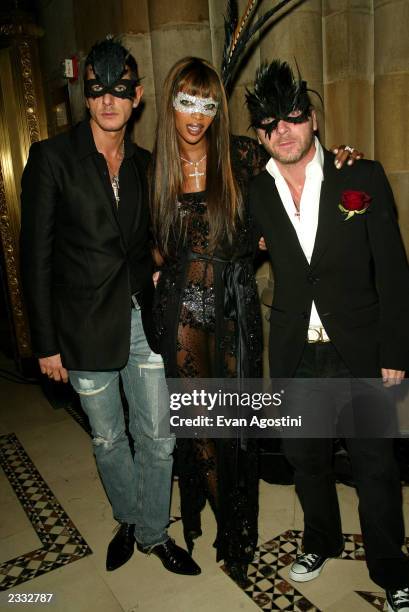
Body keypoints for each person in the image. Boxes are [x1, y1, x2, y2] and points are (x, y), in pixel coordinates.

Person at [150, 56, 359, 587]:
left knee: (237, 429)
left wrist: (342, 160)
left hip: (235, 308)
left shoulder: (242, 156)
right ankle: (220, 520)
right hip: (182, 315)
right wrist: (156, 275)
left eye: (207, 103)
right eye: (186, 101)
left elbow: (299, 175)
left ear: (218, 108)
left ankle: (237, 532)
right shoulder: (154, 168)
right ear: (170, 103)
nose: (196, 115)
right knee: (201, 427)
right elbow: (146, 244)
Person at [20, 38, 199, 577]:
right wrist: (46, 344)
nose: (107, 101)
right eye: (97, 90)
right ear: (86, 95)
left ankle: (151, 532)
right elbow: (37, 259)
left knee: (159, 435)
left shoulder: (147, 164)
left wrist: (164, 264)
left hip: (144, 320)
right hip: (80, 329)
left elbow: (157, 238)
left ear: (137, 96)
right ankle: (127, 517)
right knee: (107, 436)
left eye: (119, 90)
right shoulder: (52, 158)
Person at [247, 59, 409, 611]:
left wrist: (396, 351)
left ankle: (392, 570)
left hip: (362, 352)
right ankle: (320, 541)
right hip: (296, 355)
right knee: (306, 462)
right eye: (269, 125)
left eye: (292, 118)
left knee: (376, 470)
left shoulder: (358, 176)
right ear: (260, 134)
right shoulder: (257, 193)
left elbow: (393, 271)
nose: (282, 132)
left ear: (312, 119)